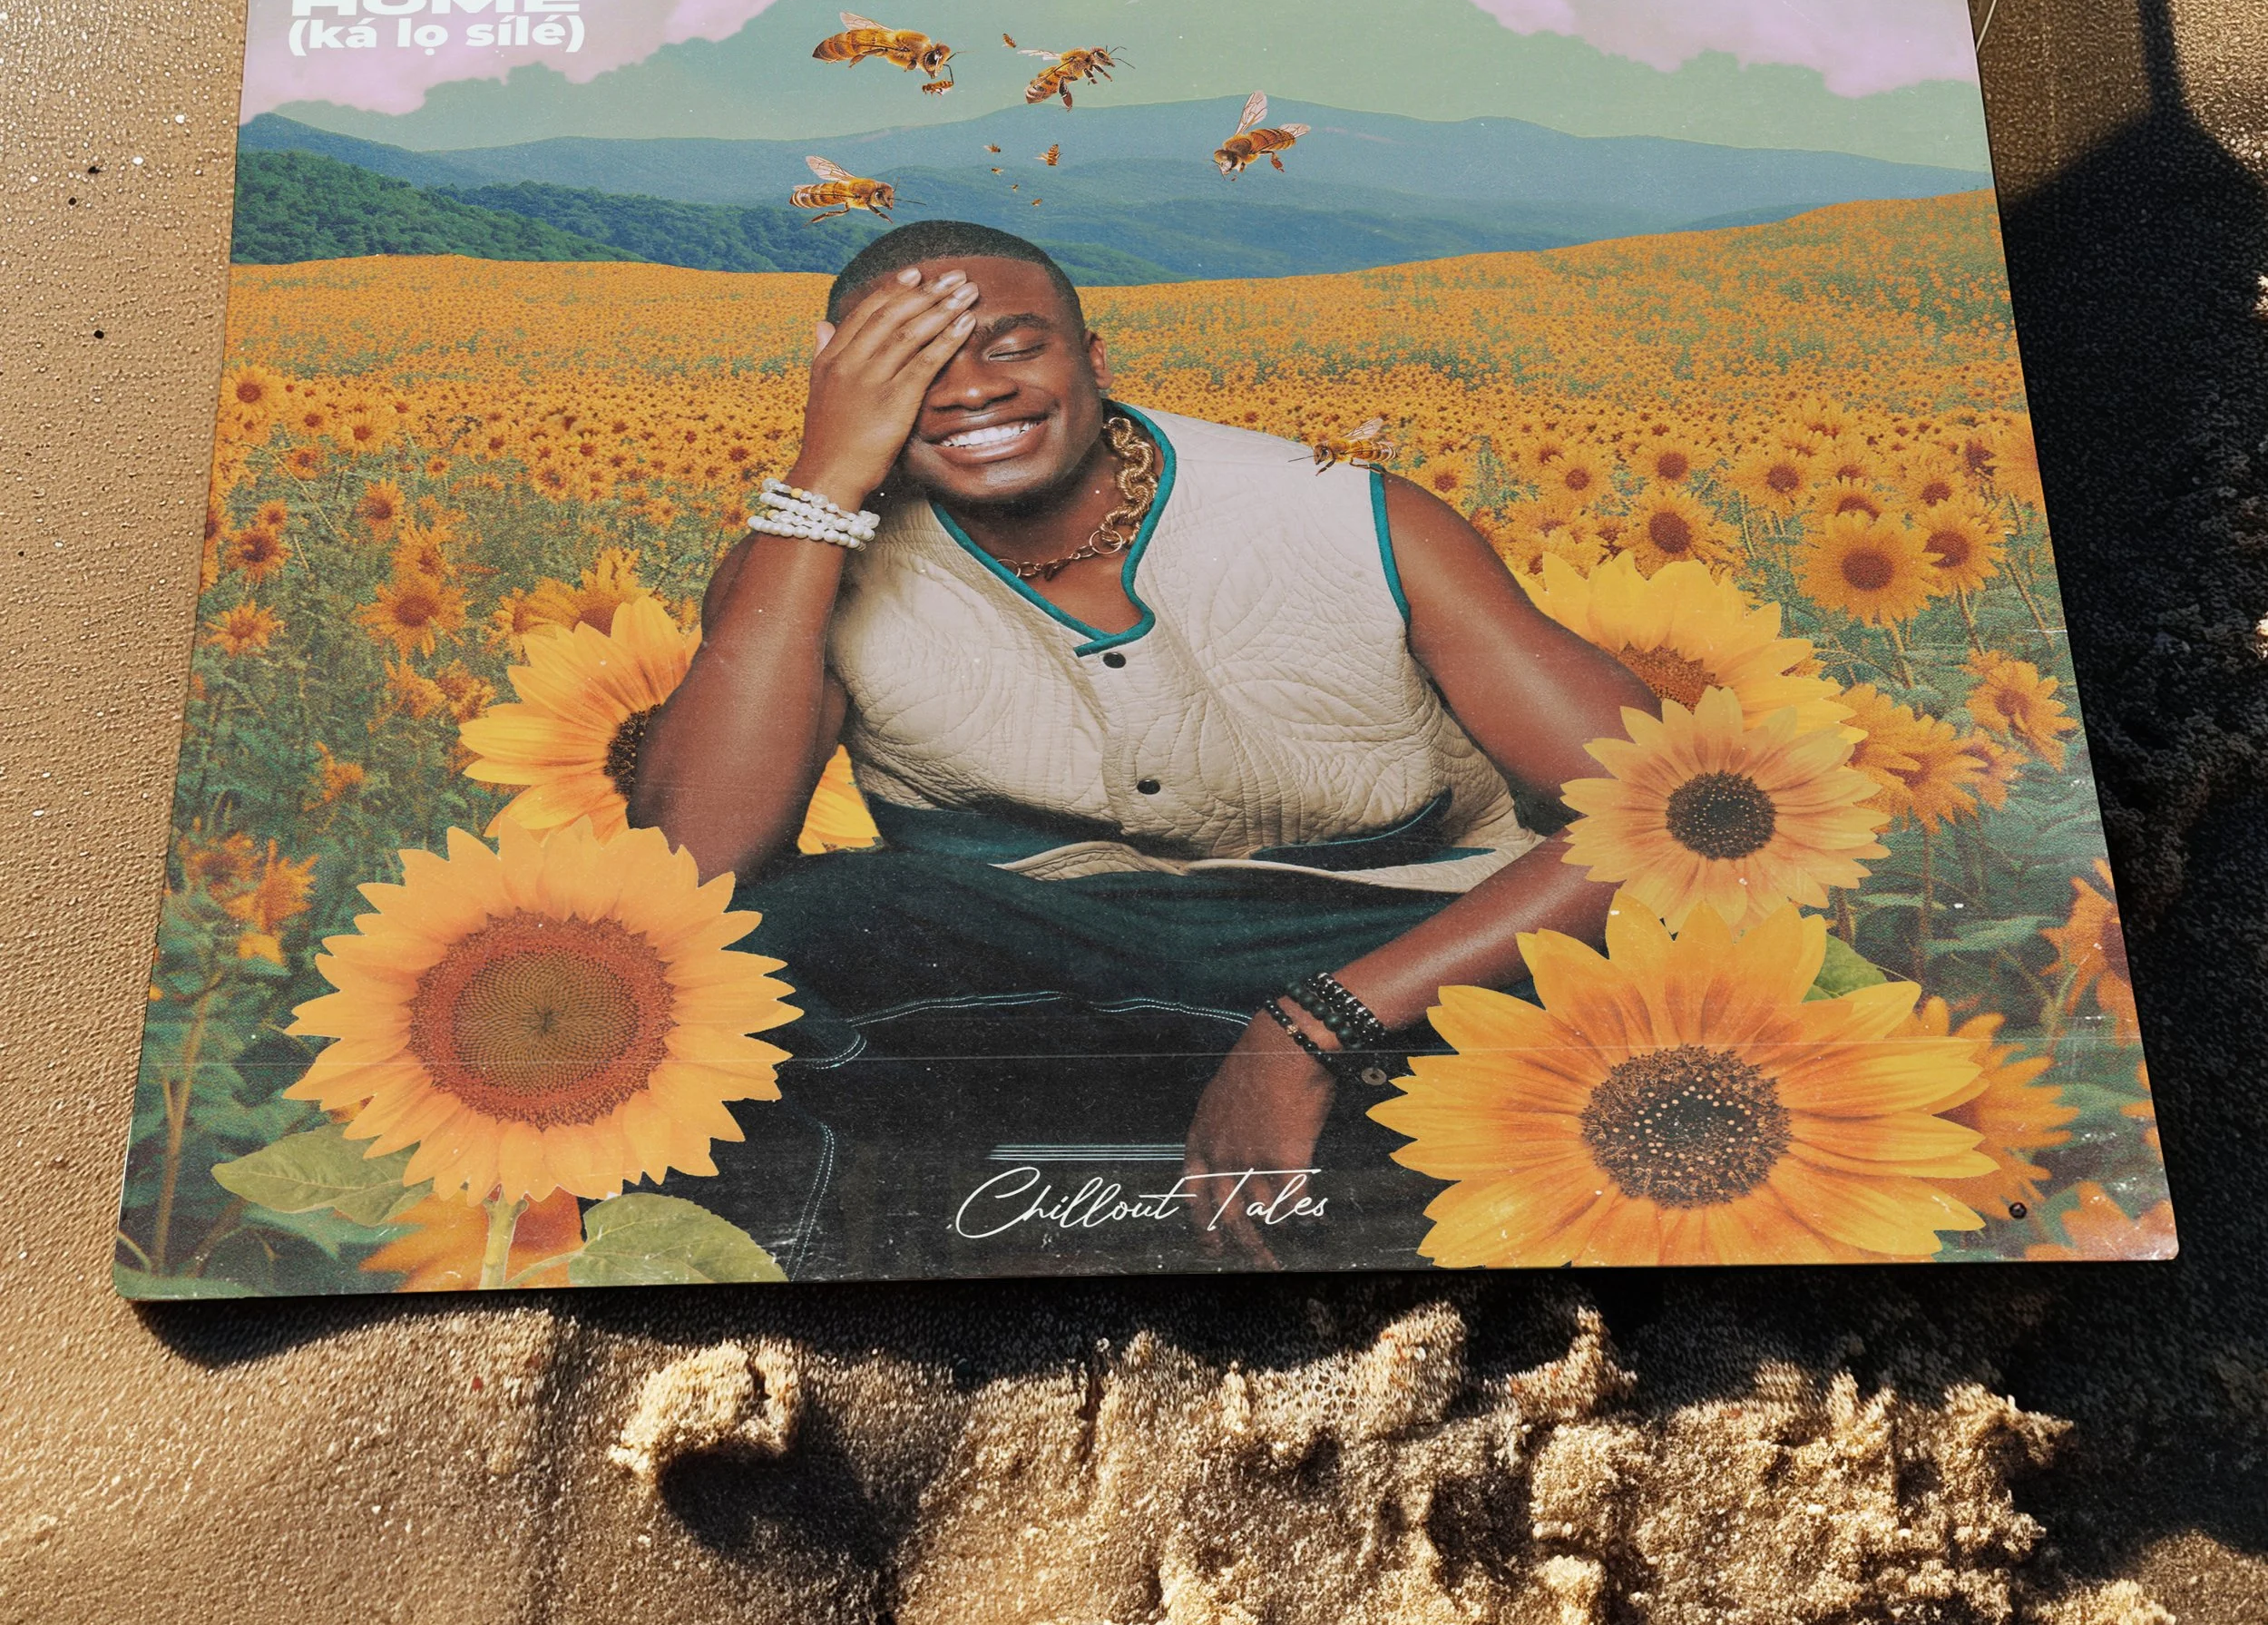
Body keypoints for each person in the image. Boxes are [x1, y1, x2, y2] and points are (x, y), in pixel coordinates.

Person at [631, 220, 1654, 1274]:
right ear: (837, 383)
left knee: (1632, 1002)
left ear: (1094, 358)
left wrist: (1320, 1023)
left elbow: (1663, 816)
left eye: (1013, 347)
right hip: (1038, 958)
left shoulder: (1349, 515)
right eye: (909, 364)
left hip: (1386, 938)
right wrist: (824, 481)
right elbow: (691, 863)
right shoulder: (801, 558)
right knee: (718, 961)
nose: (970, 389)